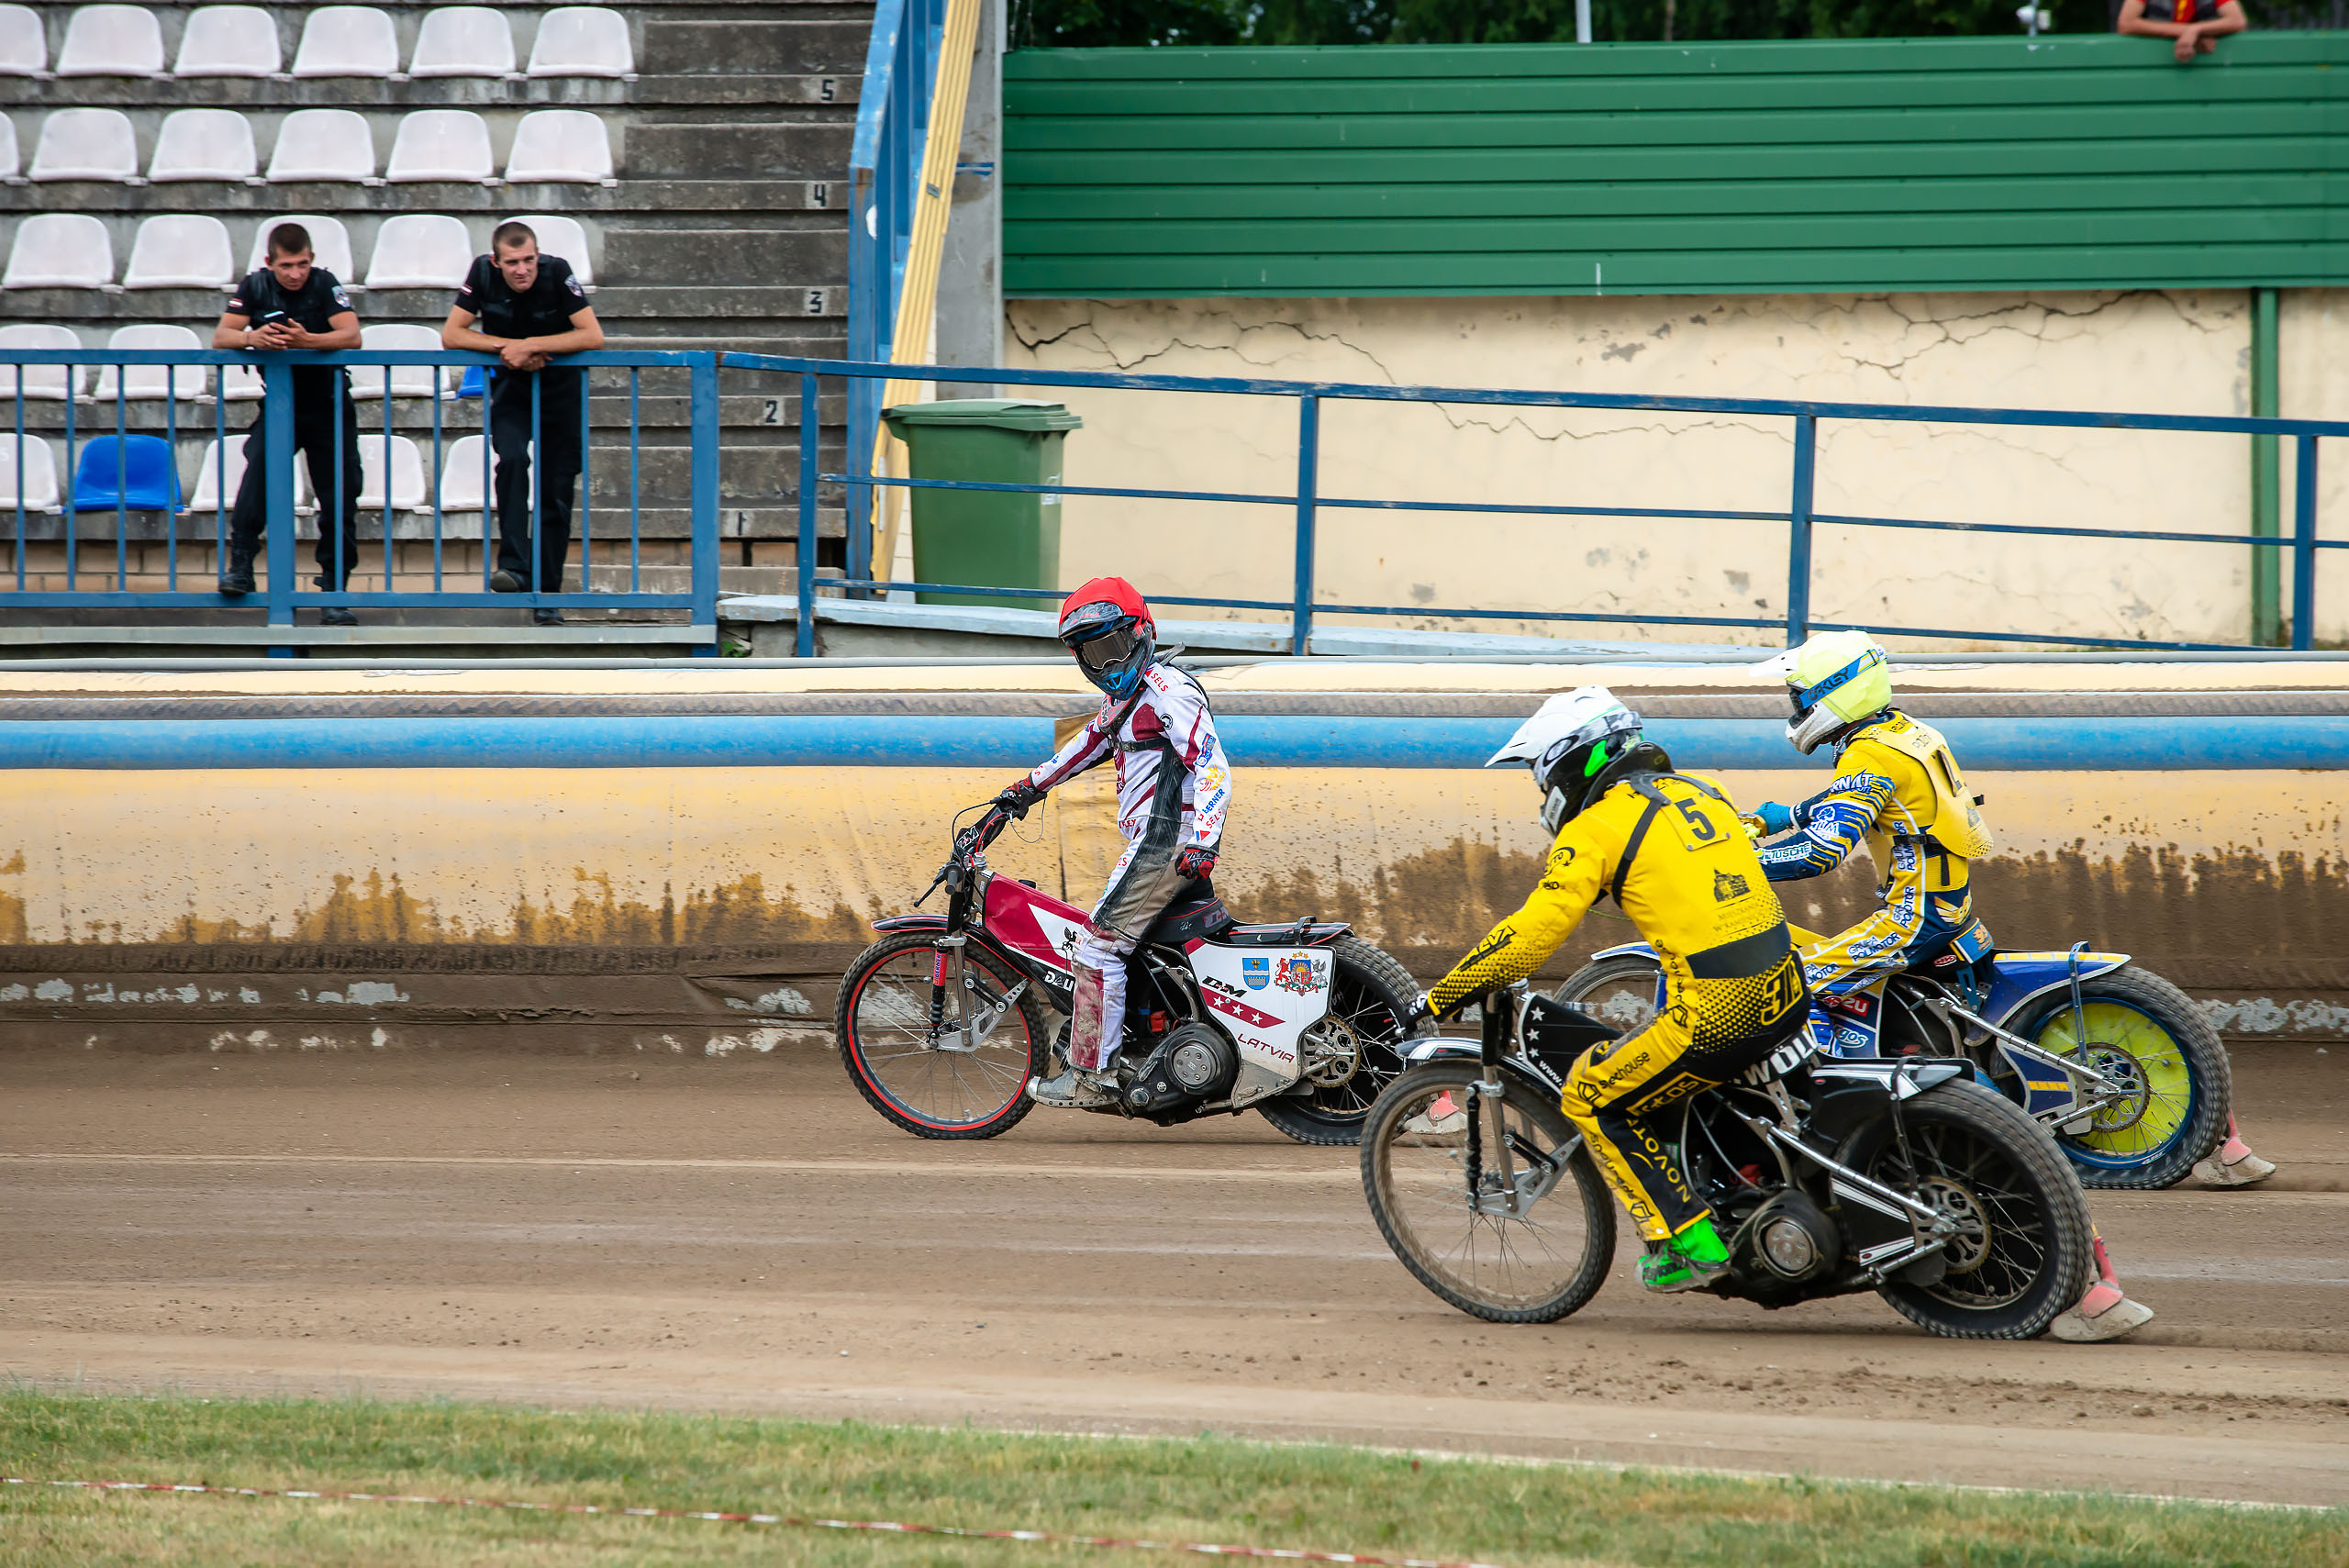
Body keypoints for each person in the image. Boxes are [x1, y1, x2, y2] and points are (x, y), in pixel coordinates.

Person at [1742, 630, 2266, 1340]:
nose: (1795, 704)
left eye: (1800, 693)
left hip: (1909, 923)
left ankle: (1845, 1123)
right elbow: (1855, 804)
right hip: (1952, 917)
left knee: (1791, 984)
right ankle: (2221, 1142)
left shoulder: (1865, 757)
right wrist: (1781, 815)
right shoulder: (1906, 735)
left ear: (1834, 695)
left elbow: (1826, 847)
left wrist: (1738, 862)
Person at [1419, 688, 1810, 1294]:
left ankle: (1687, 1243)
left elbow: (1528, 937)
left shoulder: (1595, 830)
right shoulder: (1701, 793)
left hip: (1717, 1013)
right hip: (1788, 988)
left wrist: (1445, 992)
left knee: (1592, 1090)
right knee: (1662, 1064)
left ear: (1571, 762)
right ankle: (1748, 1174)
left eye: (1539, 773)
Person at [992, 578, 1229, 1106]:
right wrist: (1027, 789)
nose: (1104, 663)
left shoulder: (1168, 692)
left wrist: (1205, 840)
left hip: (1166, 842)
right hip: (1161, 841)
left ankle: (1092, 1076)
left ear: (1142, 632)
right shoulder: (1127, 701)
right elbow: (1087, 744)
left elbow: (1211, 765)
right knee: (1128, 949)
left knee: (1099, 948)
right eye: (1092, 653)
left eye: (1113, 647)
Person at [439, 221, 604, 626]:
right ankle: (514, 567)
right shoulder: (481, 272)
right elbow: (452, 334)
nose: (522, 269)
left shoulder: (558, 270)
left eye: (528, 259)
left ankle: (547, 596)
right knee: (511, 459)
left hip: (559, 394)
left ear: (538, 255)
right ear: (497, 261)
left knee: (556, 491)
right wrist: (506, 349)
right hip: (512, 388)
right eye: (512, 262)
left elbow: (592, 335)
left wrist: (534, 345)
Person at [212, 221, 364, 626]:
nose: (295, 274)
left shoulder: (325, 283)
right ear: (270, 263)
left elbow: (351, 336)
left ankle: (334, 589)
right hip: (280, 404)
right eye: (286, 266)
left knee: (339, 496)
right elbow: (222, 336)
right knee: (257, 476)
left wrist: (306, 341)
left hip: (329, 404)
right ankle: (240, 567)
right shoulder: (255, 286)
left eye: (301, 264)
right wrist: (253, 338)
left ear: (311, 260)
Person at [2116, 0, 2246, 64]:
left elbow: (2237, 21)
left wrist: (2195, 29)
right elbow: (2126, 24)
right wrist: (2186, 32)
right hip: (2151, 65)